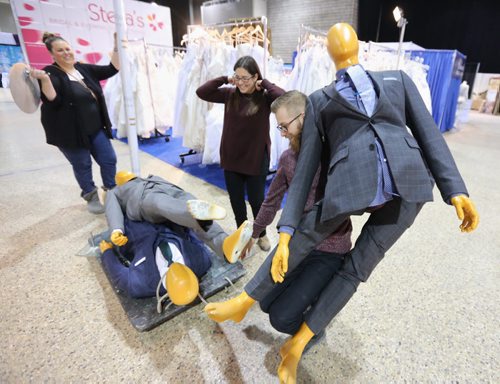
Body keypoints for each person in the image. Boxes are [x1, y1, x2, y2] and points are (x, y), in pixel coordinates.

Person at [204, 23, 479, 384]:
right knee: (303, 234)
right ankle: (245, 301)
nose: (339, 45)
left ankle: (297, 345)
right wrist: (284, 232)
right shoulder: (320, 99)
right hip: (351, 183)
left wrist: (455, 190)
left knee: (360, 266)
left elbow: (428, 134)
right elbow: (304, 169)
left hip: (409, 182)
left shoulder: (398, 80)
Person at [244, 90, 352, 338]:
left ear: (304, 117)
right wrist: (254, 233)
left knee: (282, 319)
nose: (282, 134)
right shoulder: (288, 158)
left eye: (284, 126)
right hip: (299, 242)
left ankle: (314, 327)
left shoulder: (334, 153)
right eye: (279, 128)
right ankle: (308, 296)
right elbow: (271, 202)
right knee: (266, 301)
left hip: (330, 248)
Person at [196, 55, 285, 252]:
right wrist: (225, 79)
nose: (241, 82)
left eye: (246, 78)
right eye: (238, 77)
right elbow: (202, 92)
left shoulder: (265, 97)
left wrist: (266, 83)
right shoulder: (229, 94)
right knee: (236, 201)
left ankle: (261, 233)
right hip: (232, 157)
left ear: (255, 77)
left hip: (255, 158)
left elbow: (284, 97)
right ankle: (242, 233)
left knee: (256, 200)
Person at [29, 32, 120, 214]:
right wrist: (45, 80)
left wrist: (117, 44)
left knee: (109, 159)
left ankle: (111, 190)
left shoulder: (83, 69)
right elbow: (53, 100)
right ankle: (90, 194)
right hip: (68, 132)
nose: (66, 53)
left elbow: (112, 69)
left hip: (95, 128)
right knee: (82, 164)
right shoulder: (50, 73)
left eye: (68, 49)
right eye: (60, 50)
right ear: (52, 54)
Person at [105, 171, 253, 264]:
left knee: (190, 201)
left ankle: (224, 245)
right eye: (120, 175)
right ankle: (196, 216)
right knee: (160, 204)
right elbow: (112, 209)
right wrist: (116, 229)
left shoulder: (151, 176)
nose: (124, 174)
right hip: (144, 199)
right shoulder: (116, 191)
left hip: (171, 191)